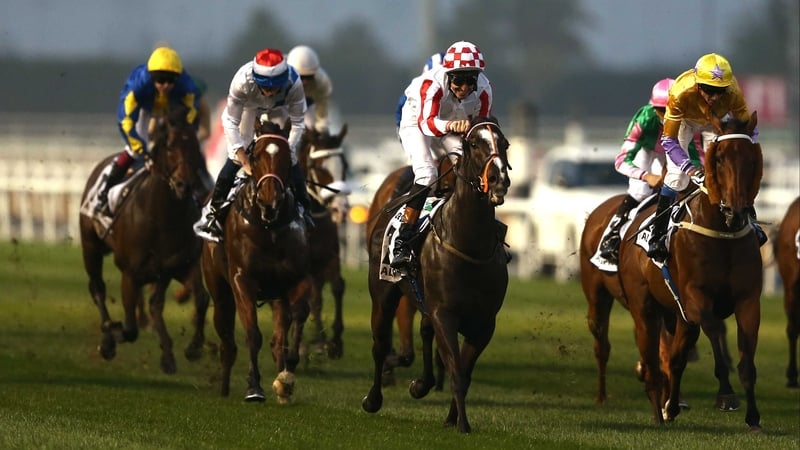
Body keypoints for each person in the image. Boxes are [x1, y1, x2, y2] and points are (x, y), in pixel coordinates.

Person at [648, 52, 761, 262]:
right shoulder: (680, 92)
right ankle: (658, 234)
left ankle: (749, 219)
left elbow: (750, 129)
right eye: (709, 90)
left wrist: (748, 146)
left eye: (720, 91)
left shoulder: (733, 92)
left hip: (715, 121)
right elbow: (668, 141)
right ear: (698, 85)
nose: (715, 97)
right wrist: (690, 169)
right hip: (684, 121)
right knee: (677, 178)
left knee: (729, 168)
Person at [390, 41, 492, 270]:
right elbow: (427, 125)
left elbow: (482, 128)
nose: (465, 87)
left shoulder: (485, 90)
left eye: (470, 80)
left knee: (472, 169)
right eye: (458, 79)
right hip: (417, 122)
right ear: (448, 75)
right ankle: (403, 241)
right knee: (427, 174)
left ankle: (485, 230)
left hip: (449, 121)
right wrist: (453, 125)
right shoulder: (431, 83)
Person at [197, 48, 313, 239]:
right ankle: (214, 213)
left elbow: (299, 123)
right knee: (234, 159)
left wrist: (288, 150)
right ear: (255, 80)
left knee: (290, 160)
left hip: (279, 109)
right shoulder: (242, 81)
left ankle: (305, 211)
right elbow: (230, 121)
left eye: (275, 87)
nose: (269, 92)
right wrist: (242, 157)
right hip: (248, 110)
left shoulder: (294, 83)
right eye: (265, 87)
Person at [597, 78, 704, 264]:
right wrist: (647, 176)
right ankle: (611, 237)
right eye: (660, 111)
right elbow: (621, 160)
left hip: (674, 151)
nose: (665, 116)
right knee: (641, 190)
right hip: (648, 152)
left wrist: (695, 173)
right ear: (652, 108)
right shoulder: (644, 119)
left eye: (670, 110)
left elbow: (697, 156)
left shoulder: (688, 121)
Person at [95, 46, 198, 216]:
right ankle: (104, 191)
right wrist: (141, 149)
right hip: (143, 108)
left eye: (170, 80)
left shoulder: (186, 85)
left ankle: (200, 194)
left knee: (183, 149)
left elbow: (191, 113)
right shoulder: (138, 85)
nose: (165, 85)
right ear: (151, 78)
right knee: (134, 151)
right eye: (160, 79)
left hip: (171, 108)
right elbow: (126, 122)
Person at [286, 45, 333, 133]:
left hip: (307, 104)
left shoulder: (322, 82)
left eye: (309, 77)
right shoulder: (279, 76)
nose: (305, 82)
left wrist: (322, 128)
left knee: (310, 129)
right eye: (301, 77)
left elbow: (322, 108)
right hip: (282, 106)